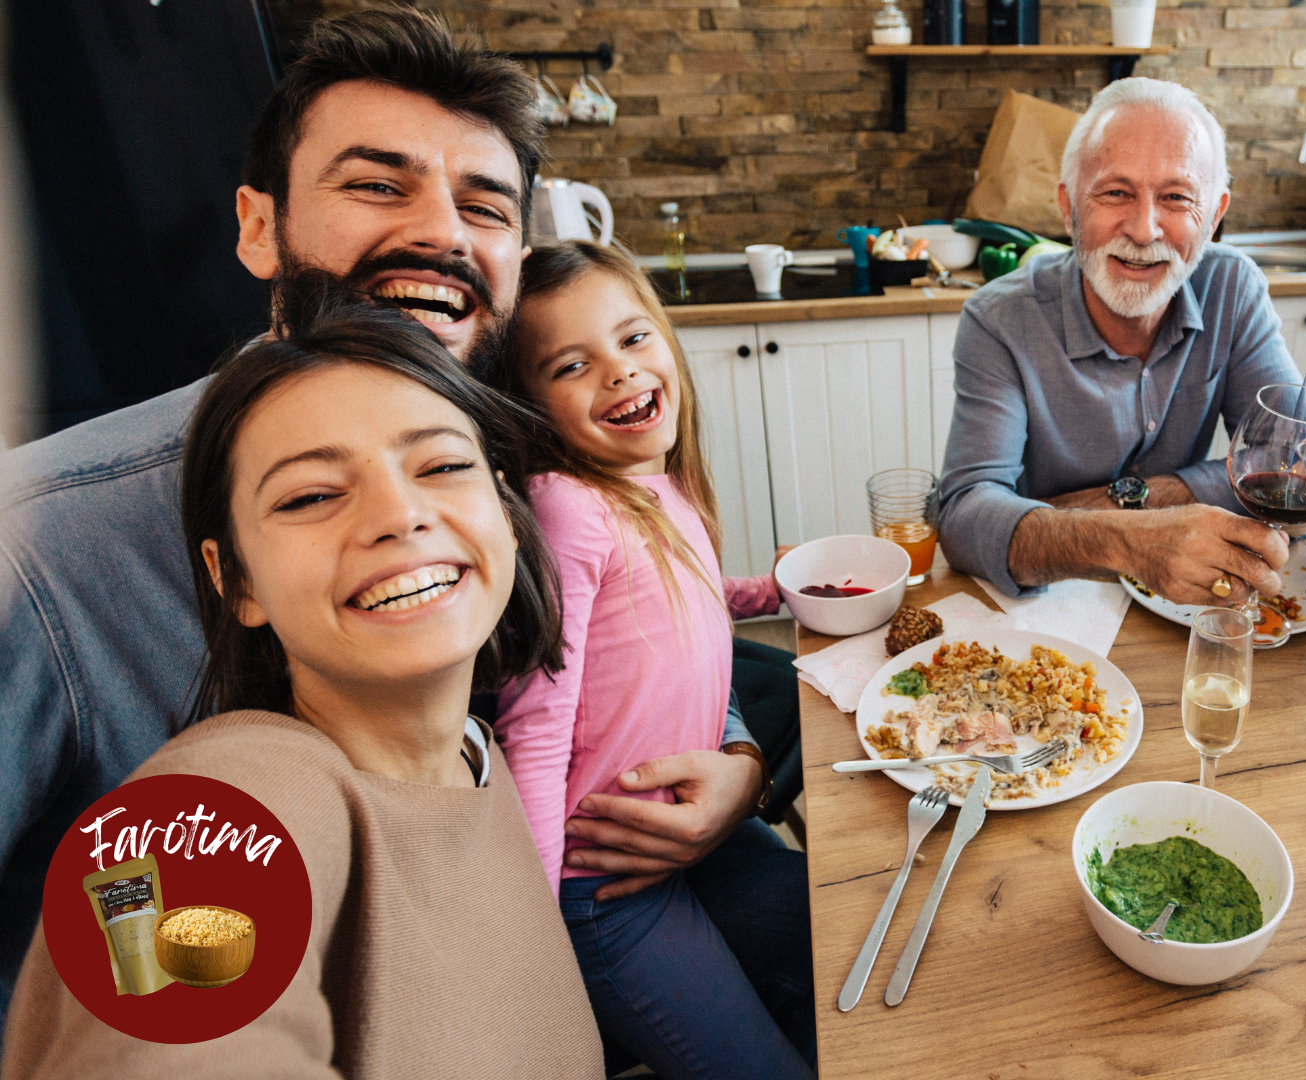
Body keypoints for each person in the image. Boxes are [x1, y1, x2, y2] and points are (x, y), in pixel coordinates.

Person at [0, 8, 770, 1015]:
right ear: (258, 225)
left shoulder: (530, 461)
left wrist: (738, 762)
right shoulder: (43, 546)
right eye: (375, 184)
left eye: (487, 206)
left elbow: (653, 623)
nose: (442, 232)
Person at [2, 297, 603, 1077]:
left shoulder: (474, 756)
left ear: (507, 509)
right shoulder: (218, 797)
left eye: (443, 465)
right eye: (311, 496)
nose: (400, 514)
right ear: (233, 580)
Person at [490, 241, 813, 1077]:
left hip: (704, 842)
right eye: (572, 364)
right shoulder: (569, 508)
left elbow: (687, 596)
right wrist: (532, 926)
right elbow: (535, 721)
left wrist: (769, 590)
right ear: (529, 405)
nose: (621, 373)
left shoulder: (658, 486)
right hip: (604, 886)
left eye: (634, 340)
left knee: (854, 939)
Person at [936, 77, 1306, 608]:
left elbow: (1290, 457)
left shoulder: (1233, 286)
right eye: (1116, 193)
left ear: (1212, 218)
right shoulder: (998, 318)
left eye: (1176, 198)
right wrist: (1133, 540)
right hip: (1048, 605)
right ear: (1069, 208)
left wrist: (1118, 505)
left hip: (1191, 604)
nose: (1143, 230)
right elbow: (962, 519)